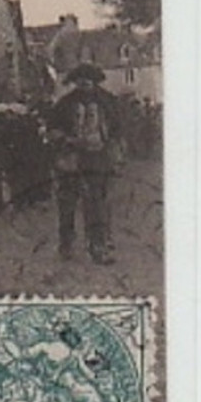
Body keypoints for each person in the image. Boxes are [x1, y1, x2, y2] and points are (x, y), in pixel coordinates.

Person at [48, 63, 121, 264]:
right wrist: (66, 140)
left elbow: (118, 130)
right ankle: (66, 243)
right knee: (67, 204)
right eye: (80, 82)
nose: (85, 86)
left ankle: (98, 246)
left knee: (96, 204)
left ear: (95, 82)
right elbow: (52, 129)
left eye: (88, 82)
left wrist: (113, 150)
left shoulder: (108, 102)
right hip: (70, 159)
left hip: (97, 158)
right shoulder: (64, 104)